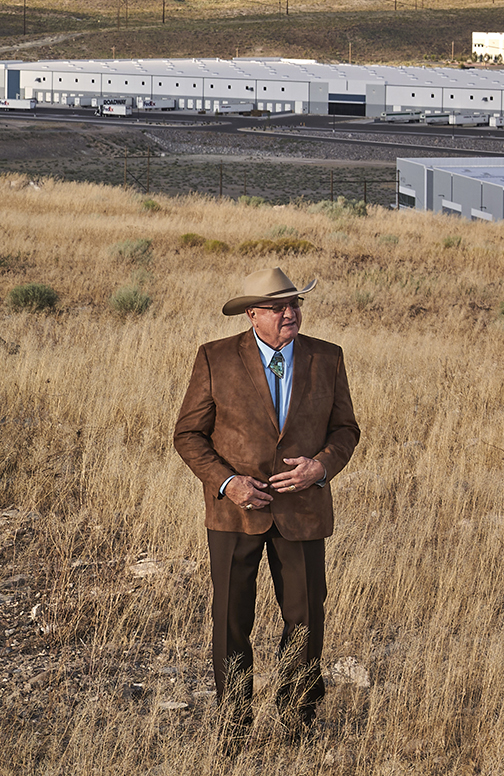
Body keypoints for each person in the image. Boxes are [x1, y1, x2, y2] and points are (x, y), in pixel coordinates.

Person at [173, 267, 361, 750]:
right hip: (235, 514)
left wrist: (320, 468)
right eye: (278, 307)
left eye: (295, 304)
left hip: (303, 514)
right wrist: (228, 482)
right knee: (232, 620)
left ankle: (297, 718)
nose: (290, 313)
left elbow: (346, 431)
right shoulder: (215, 358)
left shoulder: (328, 357)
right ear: (252, 313)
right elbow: (188, 434)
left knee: (305, 618)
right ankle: (234, 727)